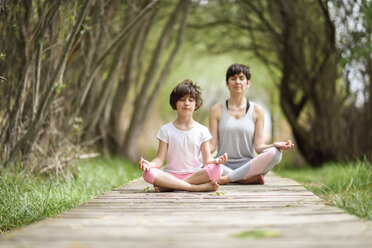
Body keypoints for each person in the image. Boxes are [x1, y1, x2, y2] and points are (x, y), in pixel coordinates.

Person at [209, 63, 294, 185]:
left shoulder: (257, 110)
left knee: (275, 153)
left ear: (248, 83)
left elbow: (259, 147)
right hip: (223, 165)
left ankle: (228, 179)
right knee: (199, 160)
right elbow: (212, 146)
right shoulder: (216, 110)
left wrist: (274, 145)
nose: (237, 82)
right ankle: (242, 179)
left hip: (249, 166)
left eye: (241, 78)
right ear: (227, 83)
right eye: (233, 78)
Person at [139, 79, 228, 192]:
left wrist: (216, 161)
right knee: (147, 173)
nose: (186, 103)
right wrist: (150, 164)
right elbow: (159, 159)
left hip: (195, 175)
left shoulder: (202, 130)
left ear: (196, 104)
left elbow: (207, 161)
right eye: (182, 100)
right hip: (171, 176)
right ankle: (194, 188)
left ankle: (169, 186)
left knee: (217, 169)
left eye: (191, 100)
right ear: (175, 103)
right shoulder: (166, 130)